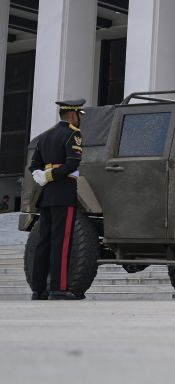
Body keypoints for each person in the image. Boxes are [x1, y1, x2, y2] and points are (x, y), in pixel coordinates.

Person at [27, 98, 87, 301]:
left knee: (44, 242)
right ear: (73, 115)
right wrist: (50, 176)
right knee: (61, 242)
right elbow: (72, 164)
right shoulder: (73, 134)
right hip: (63, 194)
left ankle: (38, 289)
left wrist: (40, 176)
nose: (80, 120)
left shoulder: (45, 136)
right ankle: (59, 288)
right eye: (79, 116)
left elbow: (34, 164)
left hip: (45, 195)